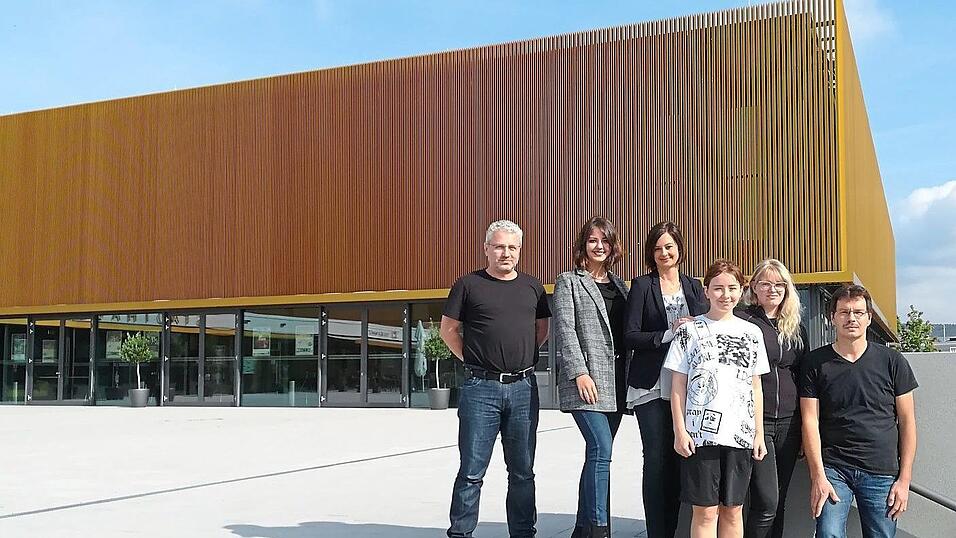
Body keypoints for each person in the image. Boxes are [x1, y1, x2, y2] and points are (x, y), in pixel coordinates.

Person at [441, 219, 551, 538]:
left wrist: (520, 356)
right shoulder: (468, 284)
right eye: (500, 246)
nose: (506, 253)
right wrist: (475, 360)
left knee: (522, 471)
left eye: (512, 247)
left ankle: (522, 532)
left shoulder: (533, 286)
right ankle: (460, 533)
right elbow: (448, 330)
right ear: (486, 248)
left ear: (520, 251)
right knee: (472, 471)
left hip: (523, 389)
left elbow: (541, 330)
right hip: (480, 390)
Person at [800, 284, 918, 538]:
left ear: (869, 317)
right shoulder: (814, 363)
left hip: (881, 469)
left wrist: (904, 479)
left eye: (858, 312)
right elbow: (809, 421)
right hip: (833, 468)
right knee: (828, 533)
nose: (851, 318)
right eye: (843, 312)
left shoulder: (892, 361)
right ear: (832, 317)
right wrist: (817, 476)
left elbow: (907, 421)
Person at [665, 259, 769, 538]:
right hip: (699, 435)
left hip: (740, 434)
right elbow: (678, 384)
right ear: (706, 291)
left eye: (732, 288)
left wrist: (758, 434)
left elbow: (755, 386)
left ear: (742, 290)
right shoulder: (689, 331)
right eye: (718, 288)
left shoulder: (752, 333)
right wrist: (679, 430)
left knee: (733, 510)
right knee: (705, 511)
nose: (726, 295)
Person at [623, 221, 708, 538]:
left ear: (679, 249)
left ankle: (679, 528)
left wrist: (694, 324)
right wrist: (667, 334)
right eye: (657, 248)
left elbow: (709, 326)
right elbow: (630, 335)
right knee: (656, 459)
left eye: (669, 246)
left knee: (682, 457)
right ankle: (657, 532)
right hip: (651, 384)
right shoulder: (642, 286)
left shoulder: (694, 286)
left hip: (689, 387)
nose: (663, 253)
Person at [553, 217, 629, 538]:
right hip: (586, 381)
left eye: (605, 241)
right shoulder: (569, 281)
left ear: (612, 246)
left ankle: (583, 530)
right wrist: (579, 372)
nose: (599, 246)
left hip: (617, 383)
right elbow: (565, 330)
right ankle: (600, 529)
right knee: (601, 448)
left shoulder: (622, 286)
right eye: (592, 240)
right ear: (583, 245)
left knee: (597, 455)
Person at [736, 259, 807, 538]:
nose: (772, 289)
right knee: (766, 501)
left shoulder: (795, 326)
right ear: (753, 286)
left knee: (780, 501)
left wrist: (804, 429)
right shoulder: (742, 320)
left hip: (790, 423)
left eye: (779, 284)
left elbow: (803, 375)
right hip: (757, 422)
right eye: (765, 283)